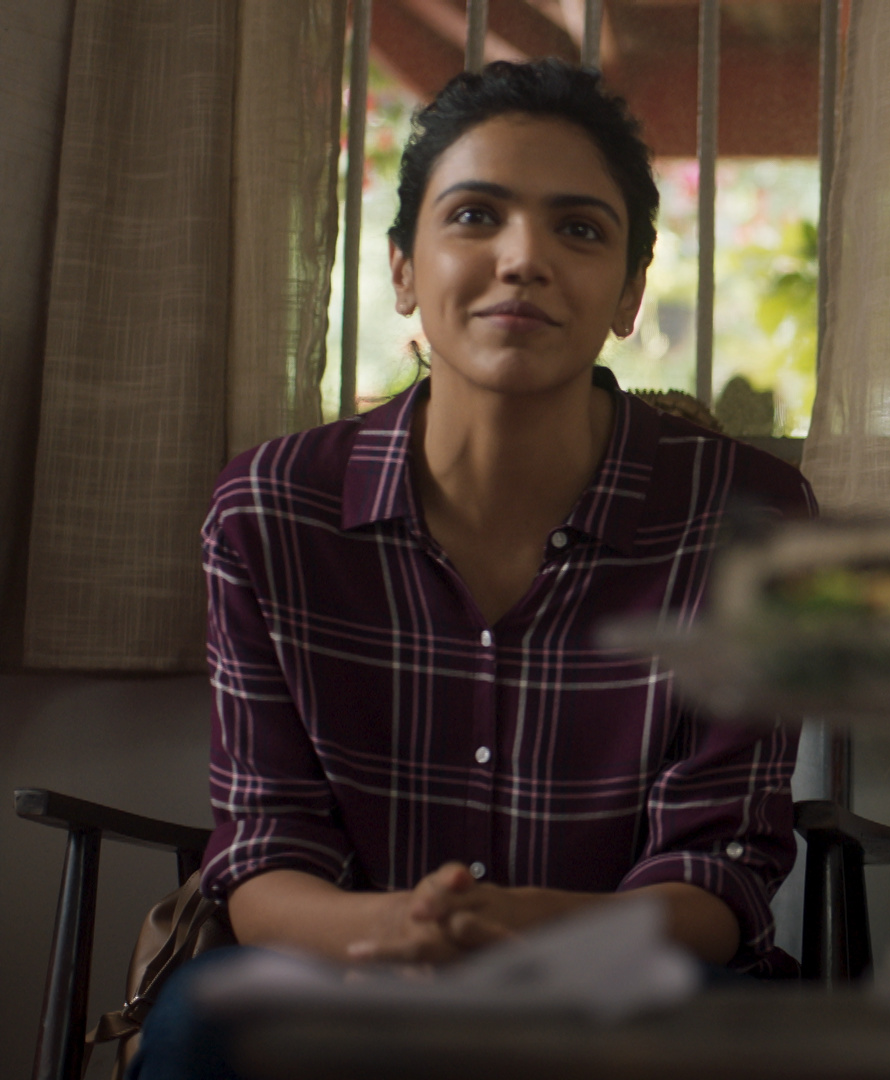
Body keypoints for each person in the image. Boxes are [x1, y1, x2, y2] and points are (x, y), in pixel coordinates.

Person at [131, 59, 807, 1078]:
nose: (524, 258)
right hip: (355, 982)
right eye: (476, 216)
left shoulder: (750, 522)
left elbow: (718, 879)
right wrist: (400, 931)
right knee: (201, 1022)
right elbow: (266, 860)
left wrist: (530, 934)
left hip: (629, 991)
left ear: (630, 292)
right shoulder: (271, 509)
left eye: (579, 229)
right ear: (404, 268)